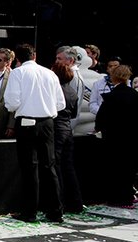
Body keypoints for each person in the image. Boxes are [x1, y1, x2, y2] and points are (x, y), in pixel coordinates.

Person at [3, 44, 65, 223]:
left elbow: (12, 103)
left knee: (30, 168)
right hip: (47, 123)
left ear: (17, 60)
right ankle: (55, 211)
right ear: (35, 56)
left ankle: (29, 212)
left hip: (27, 123)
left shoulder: (18, 73)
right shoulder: (50, 73)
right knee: (49, 166)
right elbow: (60, 104)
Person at [94, 64, 137, 207]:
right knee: (129, 168)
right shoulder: (134, 95)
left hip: (113, 138)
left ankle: (115, 198)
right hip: (131, 138)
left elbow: (101, 117)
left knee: (114, 168)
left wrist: (98, 129)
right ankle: (128, 197)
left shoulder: (111, 97)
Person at [52, 48, 85, 214]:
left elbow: (74, 111)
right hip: (66, 127)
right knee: (67, 166)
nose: (57, 61)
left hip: (61, 127)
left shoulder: (70, 82)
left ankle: (63, 203)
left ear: (70, 61)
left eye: (59, 59)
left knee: (59, 166)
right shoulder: (71, 86)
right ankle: (74, 203)